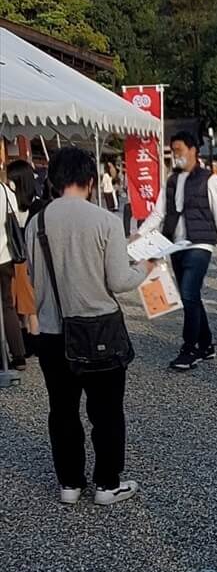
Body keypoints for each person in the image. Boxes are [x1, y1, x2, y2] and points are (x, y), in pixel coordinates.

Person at [25, 147, 151, 505]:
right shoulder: (105, 221)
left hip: (52, 332)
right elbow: (120, 280)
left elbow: (34, 278)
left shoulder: (37, 222)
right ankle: (107, 484)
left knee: (62, 411)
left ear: (53, 180)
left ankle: (69, 483)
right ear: (91, 181)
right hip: (99, 332)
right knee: (106, 412)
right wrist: (147, 269)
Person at [139, 129, 217, 371]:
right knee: (190, 296)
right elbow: (159, 212)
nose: (176, 155)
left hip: (200, 244)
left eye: (180, 150)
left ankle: (189, 348)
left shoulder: (209, 179)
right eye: (173, 151)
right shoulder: (171, 180)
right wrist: (139, 234)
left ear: (193, 150)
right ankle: (206, 343)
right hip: (175, 244)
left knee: (189, 293)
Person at [4, 159, 39, 355]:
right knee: (26, 303)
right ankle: (30, 339)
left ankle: (31, 342)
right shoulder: (35, 202)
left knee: (26, 303)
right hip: (27, 257)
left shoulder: (18, 205)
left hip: (20, 258)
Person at [0, 167, 28, 368]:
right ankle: (18, 354)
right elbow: (17, 219)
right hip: (5, 255)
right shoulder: (5, 191)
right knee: (8, 305)